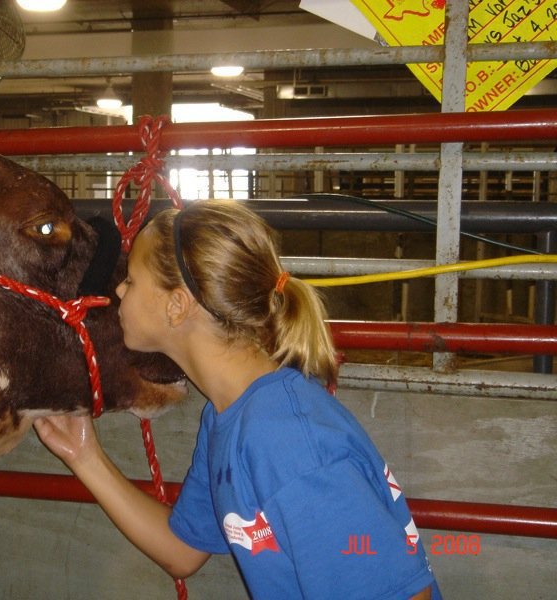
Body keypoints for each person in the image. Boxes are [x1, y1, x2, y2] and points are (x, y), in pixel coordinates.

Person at [34, 200, 440, 599]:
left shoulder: (288, 445)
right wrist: (83, 455)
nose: (120, 289)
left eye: (133, 280)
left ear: (177, 306)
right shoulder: (229, 414)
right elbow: (182, 552)